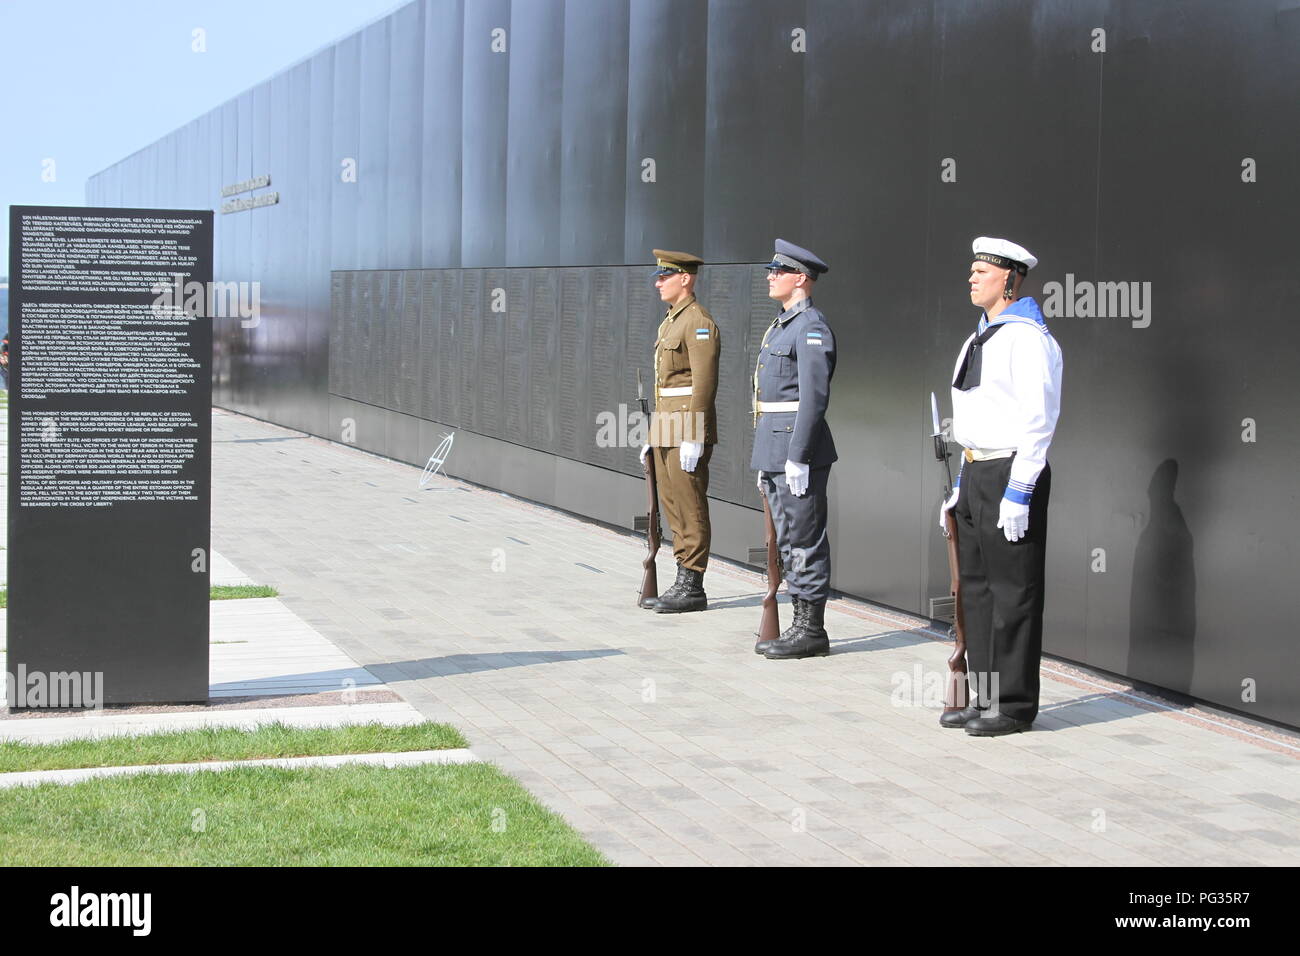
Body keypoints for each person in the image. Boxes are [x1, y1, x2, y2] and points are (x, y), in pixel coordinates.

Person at [939, 237, 1063, 736]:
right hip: (976, 471)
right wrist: (961, 485)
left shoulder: (1028, 338)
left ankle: (1012, 705)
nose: (971, 278)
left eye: (982, 271)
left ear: (1009, 280)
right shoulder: (978, 337)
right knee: (978, 592)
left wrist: (1021, 490)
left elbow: (1040, 418)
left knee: (1014, 592)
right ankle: (985, 697)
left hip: (1012, 472)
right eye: (970, 270)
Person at [751, 239, 836, 659]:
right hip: (775, 446)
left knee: (804, 540)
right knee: (787, 539)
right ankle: (798, 622)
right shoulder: (783, 325)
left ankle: (811, 630)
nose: (770, 277)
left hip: (796, 452)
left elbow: (813, 398)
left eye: (777, 271)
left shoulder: (811, 327)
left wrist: (798, 456)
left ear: (799, 278)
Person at [639, 250, 720, 612]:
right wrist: (653, 435)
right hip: (666, 424)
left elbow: (703, 382)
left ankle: (693, 582)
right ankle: (681, 573)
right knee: (671, 502)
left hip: (686, 424)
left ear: (684, 278)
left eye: (664, 276)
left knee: (690, 503)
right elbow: (664, 386)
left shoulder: (698, 321)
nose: (657, 283)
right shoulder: (670, 321)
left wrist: (694, 433)